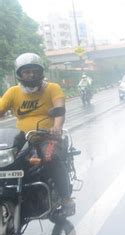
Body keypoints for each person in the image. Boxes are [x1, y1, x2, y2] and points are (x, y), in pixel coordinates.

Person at [0, 53, 74, 214]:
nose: (31, 75)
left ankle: (66, 199)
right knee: (4, 162)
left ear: (41, 72)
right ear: (19, 74)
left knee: (50, 157)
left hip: (47, 137)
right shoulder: (13, 92)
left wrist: (56, 127)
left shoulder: (52, 88)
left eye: (35, 71)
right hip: (21, 139)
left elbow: (60, 110)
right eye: (27, 72)